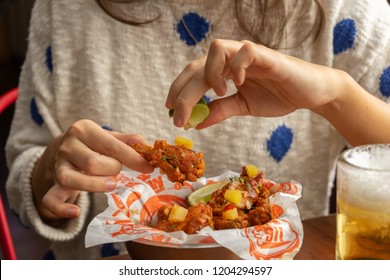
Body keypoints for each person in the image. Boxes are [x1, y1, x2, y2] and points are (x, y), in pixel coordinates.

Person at [5, 0, 390, 259]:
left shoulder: (344, 12)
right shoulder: (65, 10)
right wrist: (48, 171)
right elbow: (24, 177)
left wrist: (337, 97)